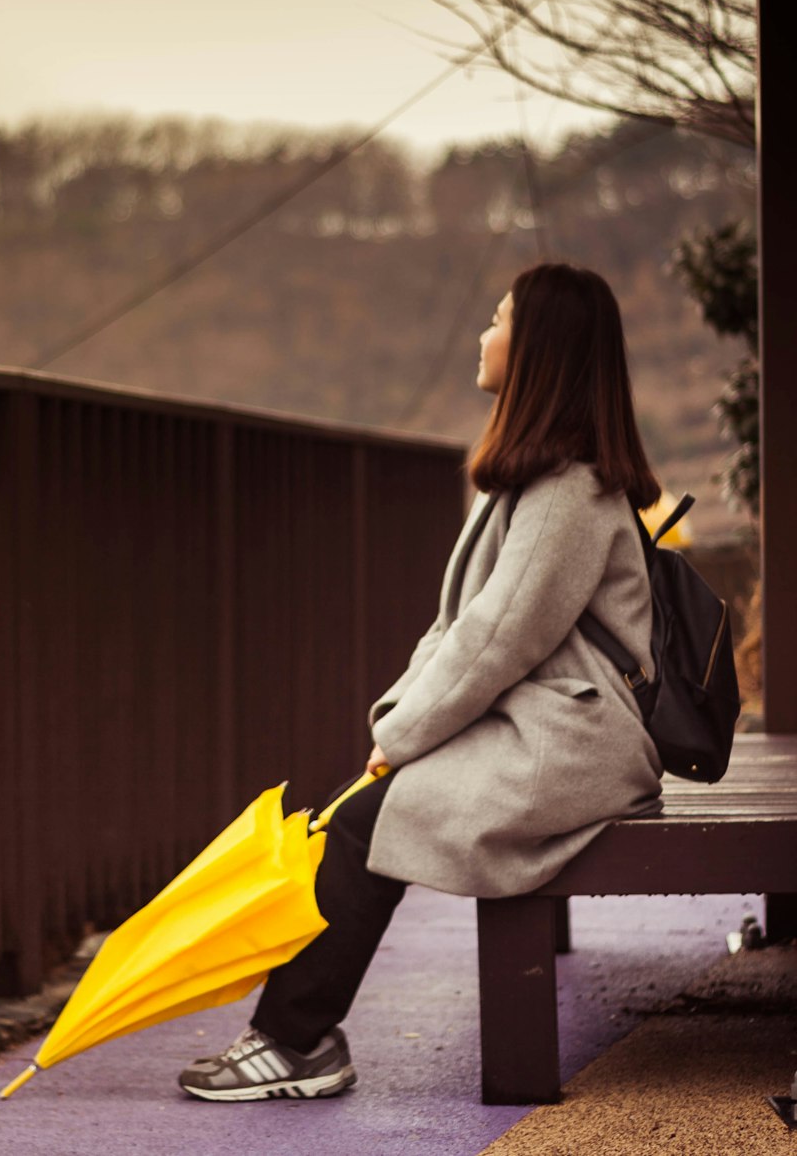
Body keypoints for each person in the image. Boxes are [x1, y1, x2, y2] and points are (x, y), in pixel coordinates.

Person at [179, 261, 665, 1102]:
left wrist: (398, 740)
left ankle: (294, 1042)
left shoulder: (568, 495)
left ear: (539, 350)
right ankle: (294, 1036)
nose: (485, 332)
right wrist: (397, 726)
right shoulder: (538, 484)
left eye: (499, 317)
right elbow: (460, 632)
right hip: (543, 728)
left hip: (577, 744)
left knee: (369, 819)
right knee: (364, 807)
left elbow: (494, 643)